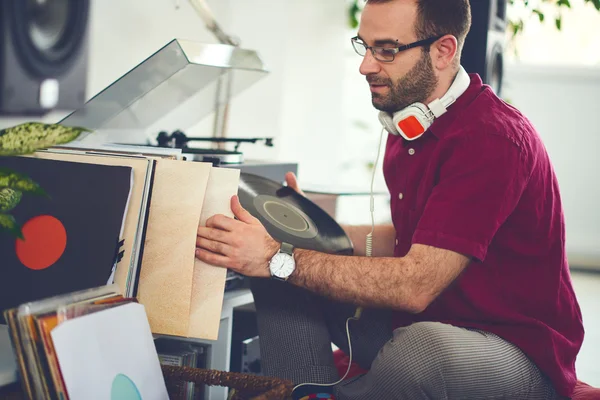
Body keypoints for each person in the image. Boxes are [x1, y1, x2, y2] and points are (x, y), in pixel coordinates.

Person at [195, 0, 585, 398]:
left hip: (515, 354)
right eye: (363, 46)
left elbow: (416, 285)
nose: (365, 65)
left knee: (416, 352)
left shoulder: (491, 140)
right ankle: (300, 390)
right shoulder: (410, 122)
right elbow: (417, 236)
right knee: (281, 270)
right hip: (429, 322)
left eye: (386, 50)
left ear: (443, 51)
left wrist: (275, 257)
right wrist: (308, 230)